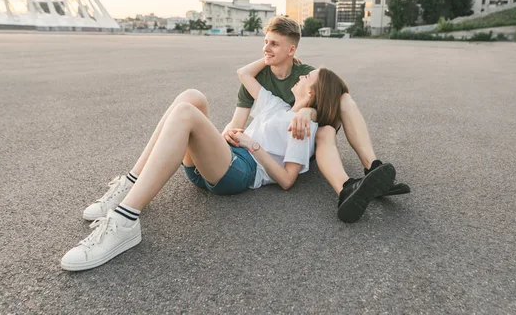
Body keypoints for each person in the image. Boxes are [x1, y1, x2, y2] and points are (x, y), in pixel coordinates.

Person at [61, 52, 393, 271]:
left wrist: (253, 143)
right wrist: (276, 53)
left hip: (242, 171)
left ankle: (124, 222)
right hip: (218, 163)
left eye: (309, 78)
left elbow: (288, 180)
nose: (302, 76)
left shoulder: (302, 126)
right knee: (192, 97)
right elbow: (245, 73)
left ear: (315, 93)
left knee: (185, 113)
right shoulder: (277, 105)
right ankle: (128, 187)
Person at [222, 16, 410, 223]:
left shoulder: (306, 75)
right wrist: (223, 141)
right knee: (322, 129)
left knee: (339, 107)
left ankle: (372, 167)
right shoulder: (257, 77)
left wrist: (308, 113)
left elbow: (327, 100)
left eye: (274, 44)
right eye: (266, 42)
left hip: (306, 133)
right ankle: (347, 190)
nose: (266, 48)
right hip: (284, 137)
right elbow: (237, 121)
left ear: (291, 49)